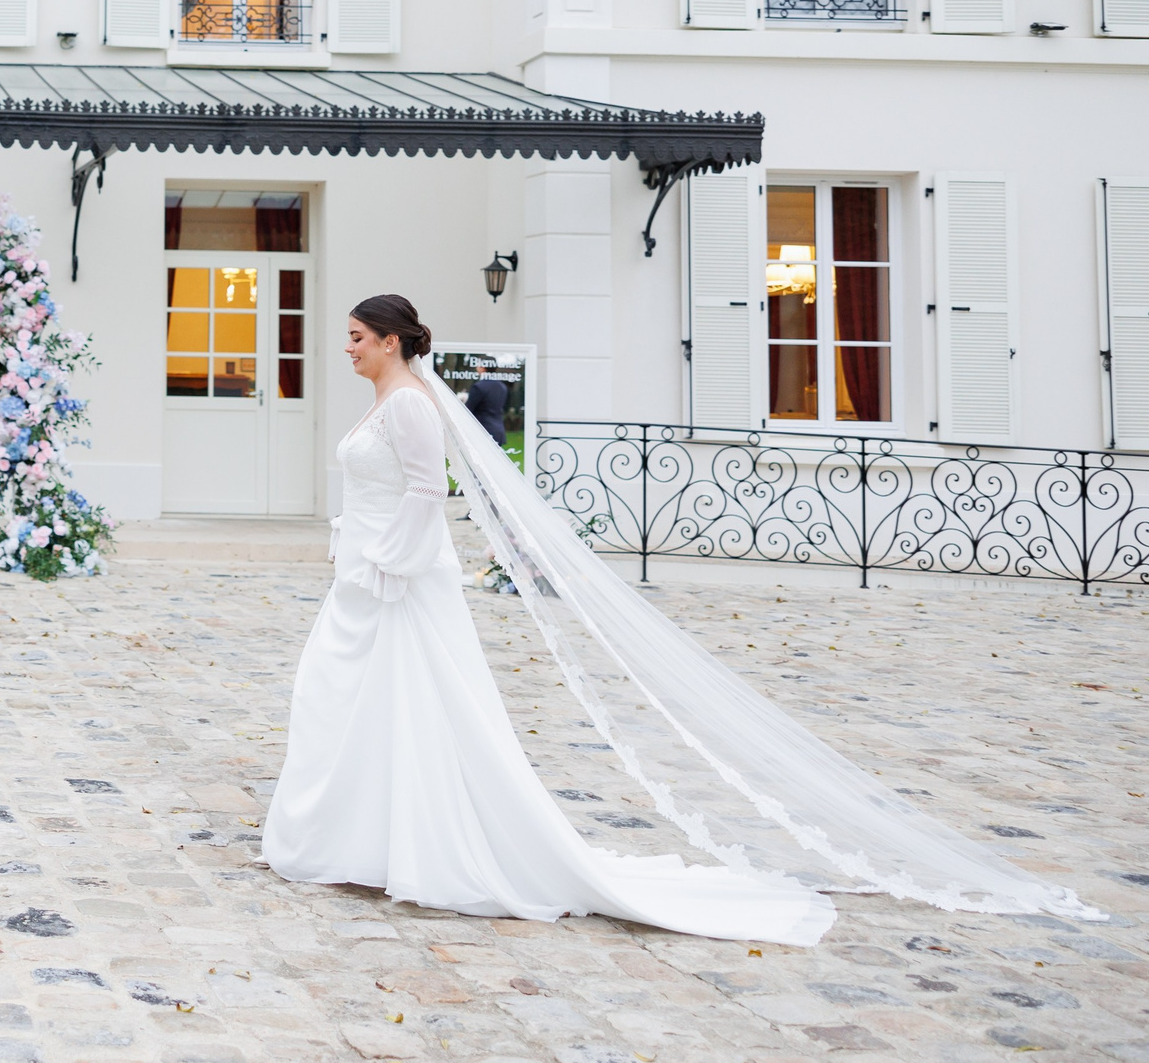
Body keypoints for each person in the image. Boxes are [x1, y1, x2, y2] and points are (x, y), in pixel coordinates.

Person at [261, 293, 1096, 940]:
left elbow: (423, 492)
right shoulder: (391, 398)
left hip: (397, 583)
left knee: (415, 707)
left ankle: (418, 840)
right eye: (349, 337)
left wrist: (386, 565)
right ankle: (364, 836)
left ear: (395, 342)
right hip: (369, 578)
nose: (349, 348)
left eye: (359, 337)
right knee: (355, 704)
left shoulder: (409, 404)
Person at [462, 374, 509, 449]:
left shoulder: (478, 387)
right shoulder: (502, 386)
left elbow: (469, 408)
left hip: (482, 429)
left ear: (482, 367)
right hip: (498, 429)